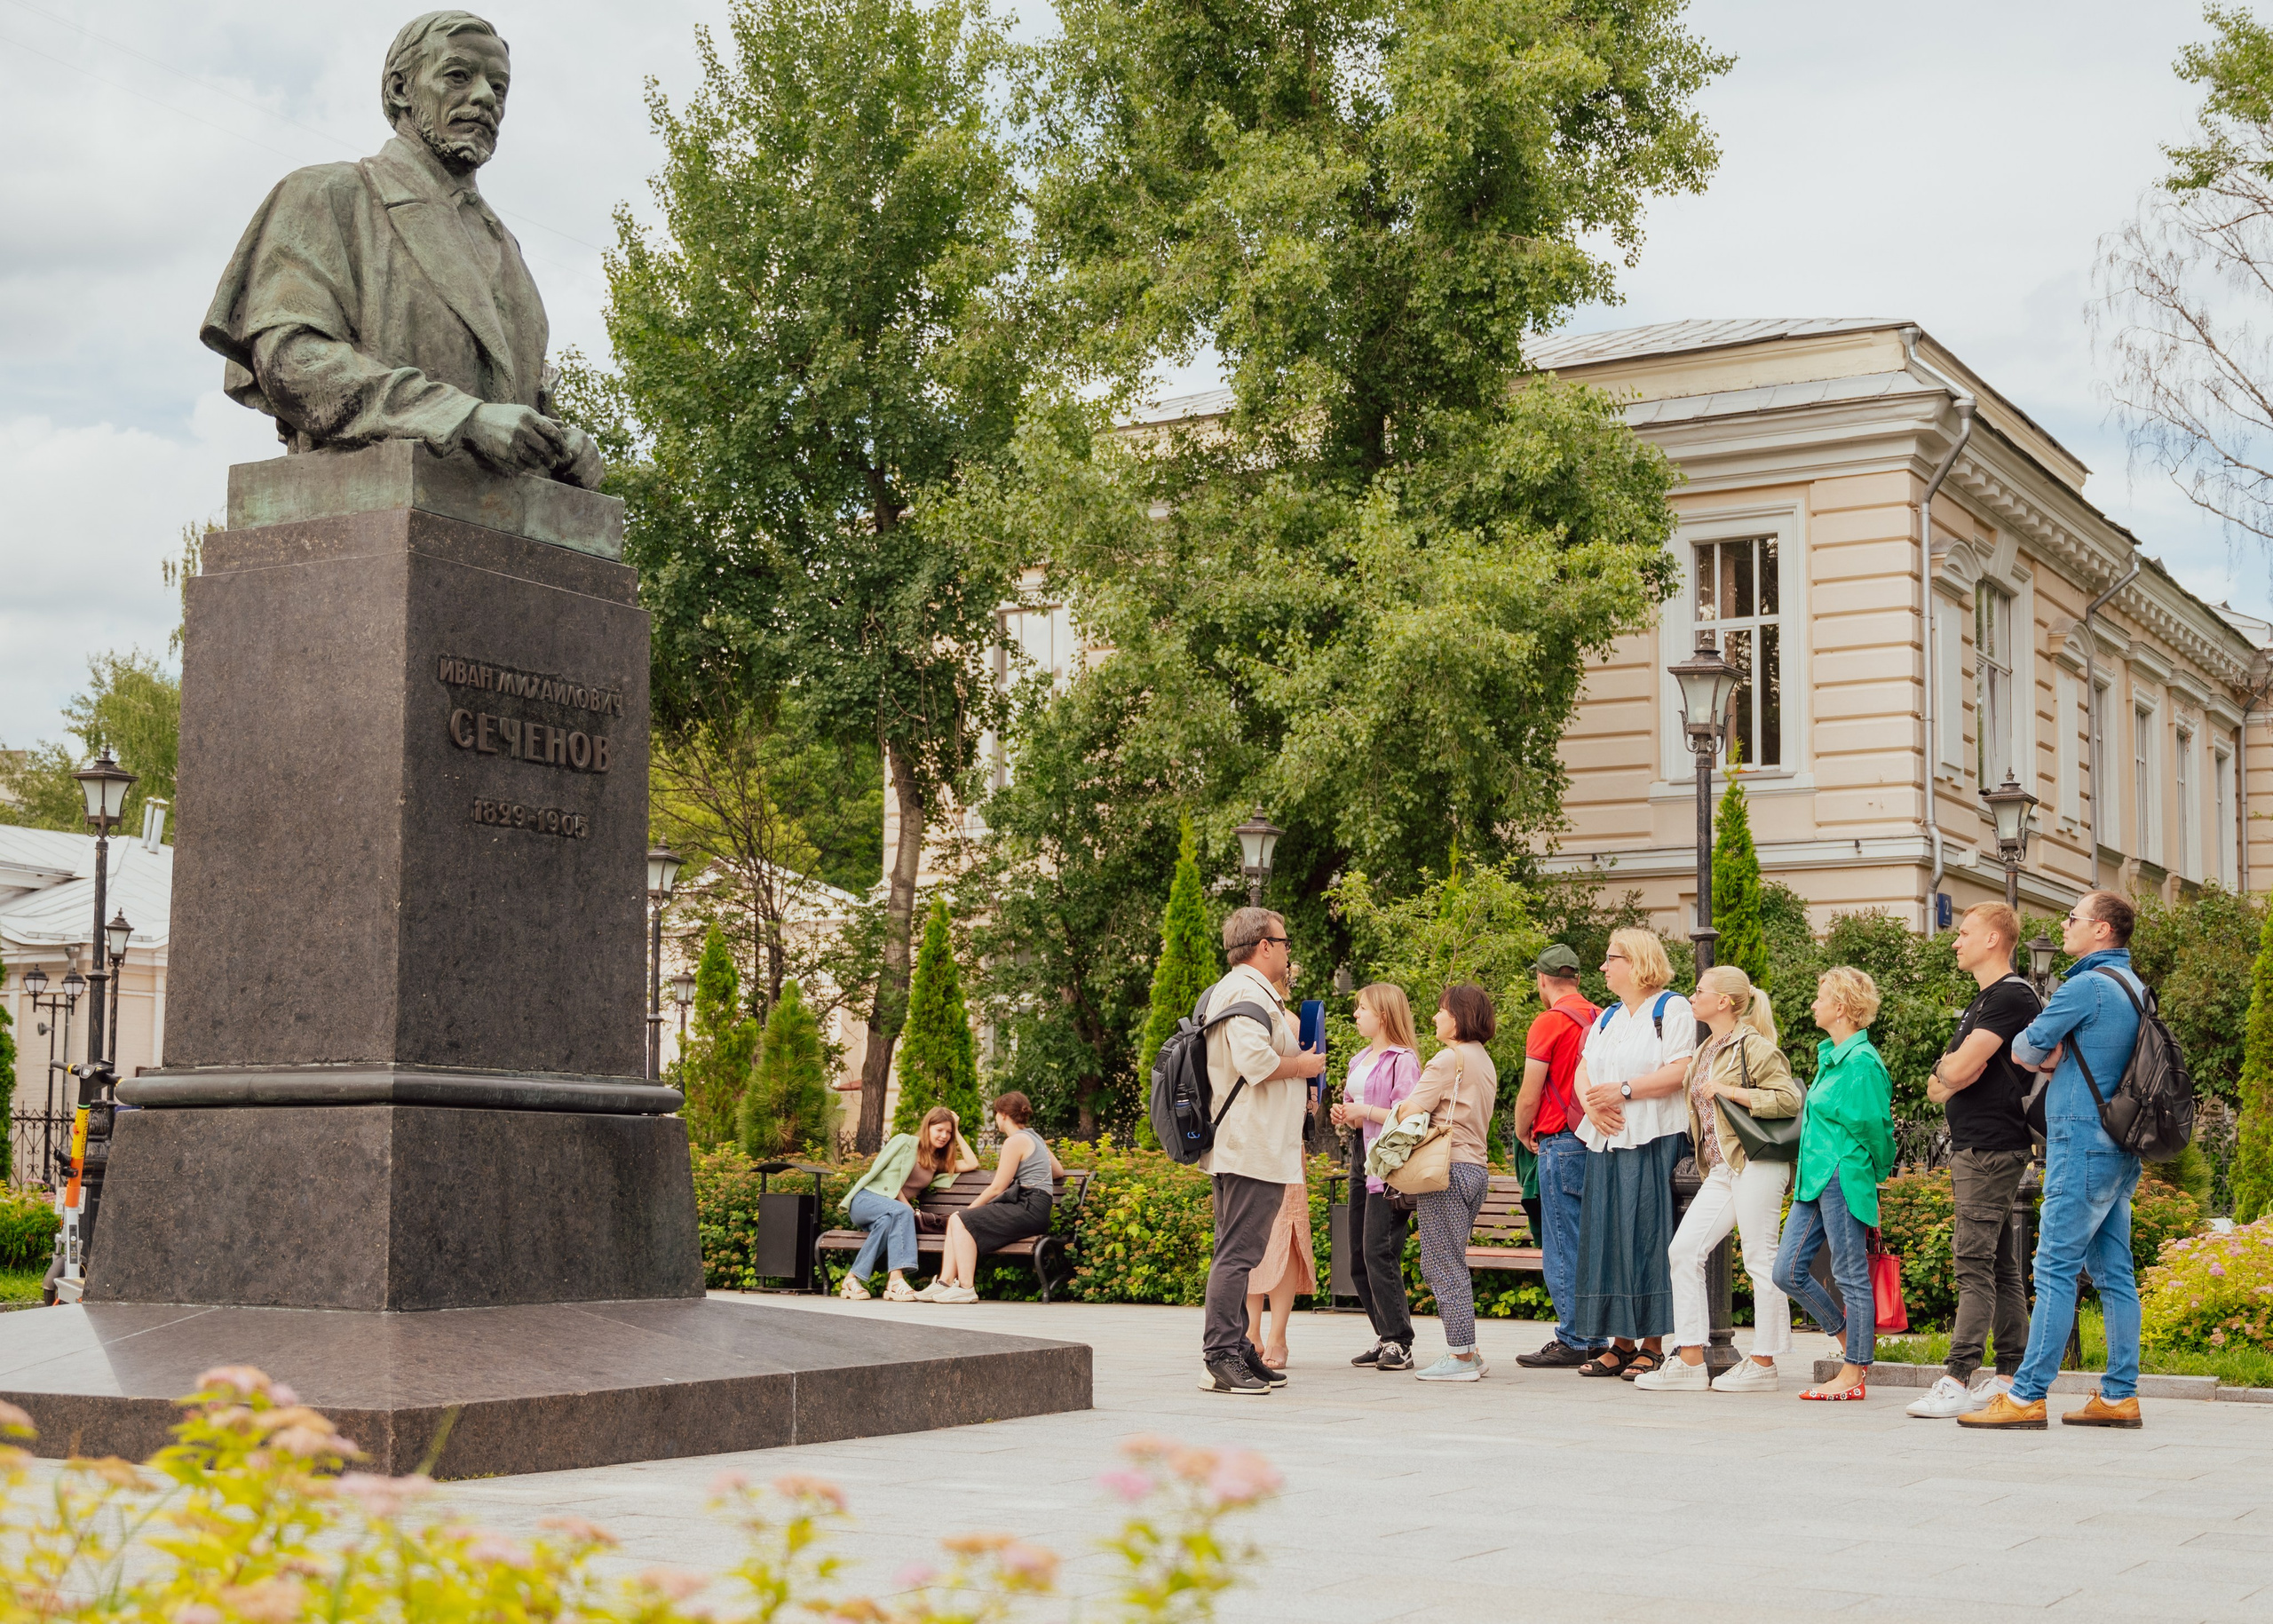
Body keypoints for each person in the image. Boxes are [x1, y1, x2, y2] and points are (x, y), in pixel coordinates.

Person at [202, 11, 604, 487]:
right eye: (458, 76)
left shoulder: (505, 246)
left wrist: (560, 445)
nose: (484, 98)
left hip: (486, 513)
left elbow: (515, 405)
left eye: (499, 88)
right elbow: (292, 363)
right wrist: (464, 418)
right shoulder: (327, 194)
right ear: (400, 90)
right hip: (367, 499)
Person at [1962, 891, 2151, 1431]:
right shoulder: (2135, 988)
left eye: (2074, 918)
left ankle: (2026, 1395)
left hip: (2080, 1144)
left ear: (2101, 931)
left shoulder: (2086, 986)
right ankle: (2119, 1395)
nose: (2064, 925)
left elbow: (2024, 1048)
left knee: (2053, 1268)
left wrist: (2051, 1048)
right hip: (2119, 1145)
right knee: (2115, 1272)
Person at [1635, 963, 1803, 1393]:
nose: (1692, 997)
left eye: (1699, 990)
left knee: (1759, 1259)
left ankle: (1764, 1362)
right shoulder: (1708, 1047)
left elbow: (1789, 1099)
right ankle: (1691, 1358)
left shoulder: (1755, 1046)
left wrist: (1731, 1091)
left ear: (1724, 1001)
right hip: (1722, 1168)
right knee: (1684, 1250)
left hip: (1756, 1163)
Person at [1908, 902, 2041, 1419]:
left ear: (1993, 939)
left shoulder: (2009, 997)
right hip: (1981, 1147)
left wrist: (1954, 1068)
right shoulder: (1985, 1001)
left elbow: (1958, 1068)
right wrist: (1954, 1071)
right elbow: (1939, 1086)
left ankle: (1957, 1376)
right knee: (2001, 1265)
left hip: (1990, 1148)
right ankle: (2010, 1373)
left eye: (1964, 933)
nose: (1955, 941)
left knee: (1972, 1262)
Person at [1198, 907, 1325, 1396]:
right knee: (1238, 1253)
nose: (1289, 951)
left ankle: (1238, 1350)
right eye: (1284, 941)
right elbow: (1254, 1062)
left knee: (1238, 1252)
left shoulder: (1243, 991)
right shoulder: (1247, 992)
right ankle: (1222, 1356)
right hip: (1250, 1146)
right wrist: (1304, 1065)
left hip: (1251, 1144)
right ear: (1264, 945)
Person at [1567, 928, 1695, 1379]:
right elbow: (1583, 1068)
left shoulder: (1671, 1008)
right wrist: (1589, 1104)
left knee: (1648, 1235)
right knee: (1606, 1237)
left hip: (1653, 1137)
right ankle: (1619, 1342)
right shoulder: (1608, 1017)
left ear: (1637, 962)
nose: (1603, 967)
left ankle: (1654, 1343)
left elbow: (1682, 1070)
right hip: (1606, 1139)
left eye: (1610, 958)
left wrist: (1622, 1091)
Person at [1771, 967, 1897, 1401]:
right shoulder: (1834, 1057)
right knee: (1786, 1271)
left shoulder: (1862, 1063)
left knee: (1849, 1275)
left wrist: (1873, 1174)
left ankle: (1854, 1373)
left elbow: (1879, 1130)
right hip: (1814, 1179)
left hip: (1842, 1175)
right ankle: (1851, 1341)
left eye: (1820, 997)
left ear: (1841, 1007)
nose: (1813, 1004)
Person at [1511, 946, 1604, 1370]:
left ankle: (1575, 1337)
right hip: (1598, 1140)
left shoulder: (1549, 1022)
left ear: (1542, 980)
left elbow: (1532, 1090)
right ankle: (1599, 1334)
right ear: (1579, 979)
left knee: (1564, 1245)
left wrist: (1520, 1129)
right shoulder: (1602, 1016)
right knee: (1593, 1243)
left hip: (1560, 1141)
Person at [1403, 985, 1501, 1382]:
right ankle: (1470, 1352)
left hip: (1446, 1170)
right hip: (1475, 1169)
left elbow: (1411, 1108)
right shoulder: (1484, 1061)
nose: (1434, 1018)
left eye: (1441, 1011)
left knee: (1441, 1262)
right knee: (1451, 1259)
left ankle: (1460, 1357)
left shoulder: (1448, 1060)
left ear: (1458, 1017)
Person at [1329, 983, 1421, 1371]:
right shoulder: (1359, 1059)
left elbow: (1410, 1114)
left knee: (1378, 1251)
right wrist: (1346, 1113)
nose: (1356, 1015)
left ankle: (1400, 1341)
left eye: (1361, 1008)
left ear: (1382, 1014)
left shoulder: (1404, 1060)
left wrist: (1363, 1111)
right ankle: (1386, 1336)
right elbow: (1358, 1107)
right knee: (1356, 1258)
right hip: (1360, 1155)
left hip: (1390, 1160)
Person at [920, 1092, 1064, 1304]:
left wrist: (967, 1211)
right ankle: (944, 1283)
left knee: (959, 1219)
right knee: (955, 1221)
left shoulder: (1014, 1141)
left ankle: (967, 1288)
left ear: (1003, 1115)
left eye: (996, 1113)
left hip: (1029, 1207)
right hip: (1036, 1208)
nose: (995, 1118)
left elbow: (997, 1188)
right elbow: (1058, 1171)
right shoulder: (1035, 1137)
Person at [838, 1105, 977, 1301]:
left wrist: (958, 1130)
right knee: (902, 1212)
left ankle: (851, 1279)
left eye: (948, 1132)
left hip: (889, 1212)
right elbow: (893, 1184)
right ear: (927, 1127)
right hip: (866, 1200)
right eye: (939, 1130)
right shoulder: (906, 1143)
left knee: (888, 1223)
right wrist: (907, 1209)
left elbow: (972, 1163)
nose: (944, 1136)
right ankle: (896, 1280)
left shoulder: (937, 1162)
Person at [1245, 1182, 1318, 1369]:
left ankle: (1278, 1339)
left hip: (1283, 1153)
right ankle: (1250, 1333)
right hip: (1244, 1154)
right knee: (1247, 1224)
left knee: (1285, 1222)